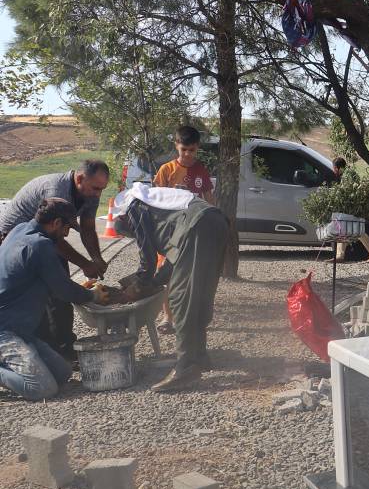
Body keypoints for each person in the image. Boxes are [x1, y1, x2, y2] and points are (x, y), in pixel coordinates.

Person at [113, 183, 227, 393]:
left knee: (179, 298)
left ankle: (185, 368)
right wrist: (155, 282)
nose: (135, 236)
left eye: (131, 233)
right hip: (216, 220)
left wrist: (138, 286)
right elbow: (174, 257)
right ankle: (200, 356)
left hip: (198, 226)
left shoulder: (134, 207)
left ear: (123, 219)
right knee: (201, 292)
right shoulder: (160, 206)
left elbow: (147, 257)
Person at [0, 159, 111, 360]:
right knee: (46, 294)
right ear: (79, 178)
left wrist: (96, 259)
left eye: (102, 189)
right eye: (95, 188)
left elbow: (87, 227)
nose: (98, 195)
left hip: (42, 239)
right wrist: (85, 265)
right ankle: (47, 348)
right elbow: (57, 239)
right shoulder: (57, 191)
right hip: (15, 237)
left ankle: (61, 348)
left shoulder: (90, 192)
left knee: (59, 290)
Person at [0, 198, 108, 400]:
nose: (66, 234)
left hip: (21, 329)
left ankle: (12, 361)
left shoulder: (20, 229)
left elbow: (51, 282)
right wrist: (93, 295)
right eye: (67, 227)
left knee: (63, 373)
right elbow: (63, 291)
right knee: (42, 388)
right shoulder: (40, 245)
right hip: (4, 331)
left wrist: (78, 289)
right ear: (57, 223)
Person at [153, 125, 215, 334]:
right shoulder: (166, 170)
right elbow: (155, 200)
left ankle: (189, 317)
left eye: (192, 150)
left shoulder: (201, 171)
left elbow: (209, 200)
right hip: (170, 235)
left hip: (194, 234)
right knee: (168, 276)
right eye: (184, 150)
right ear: (177, 146)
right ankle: (167, 317)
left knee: (191, 277)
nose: (188, 154)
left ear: (197, 148)